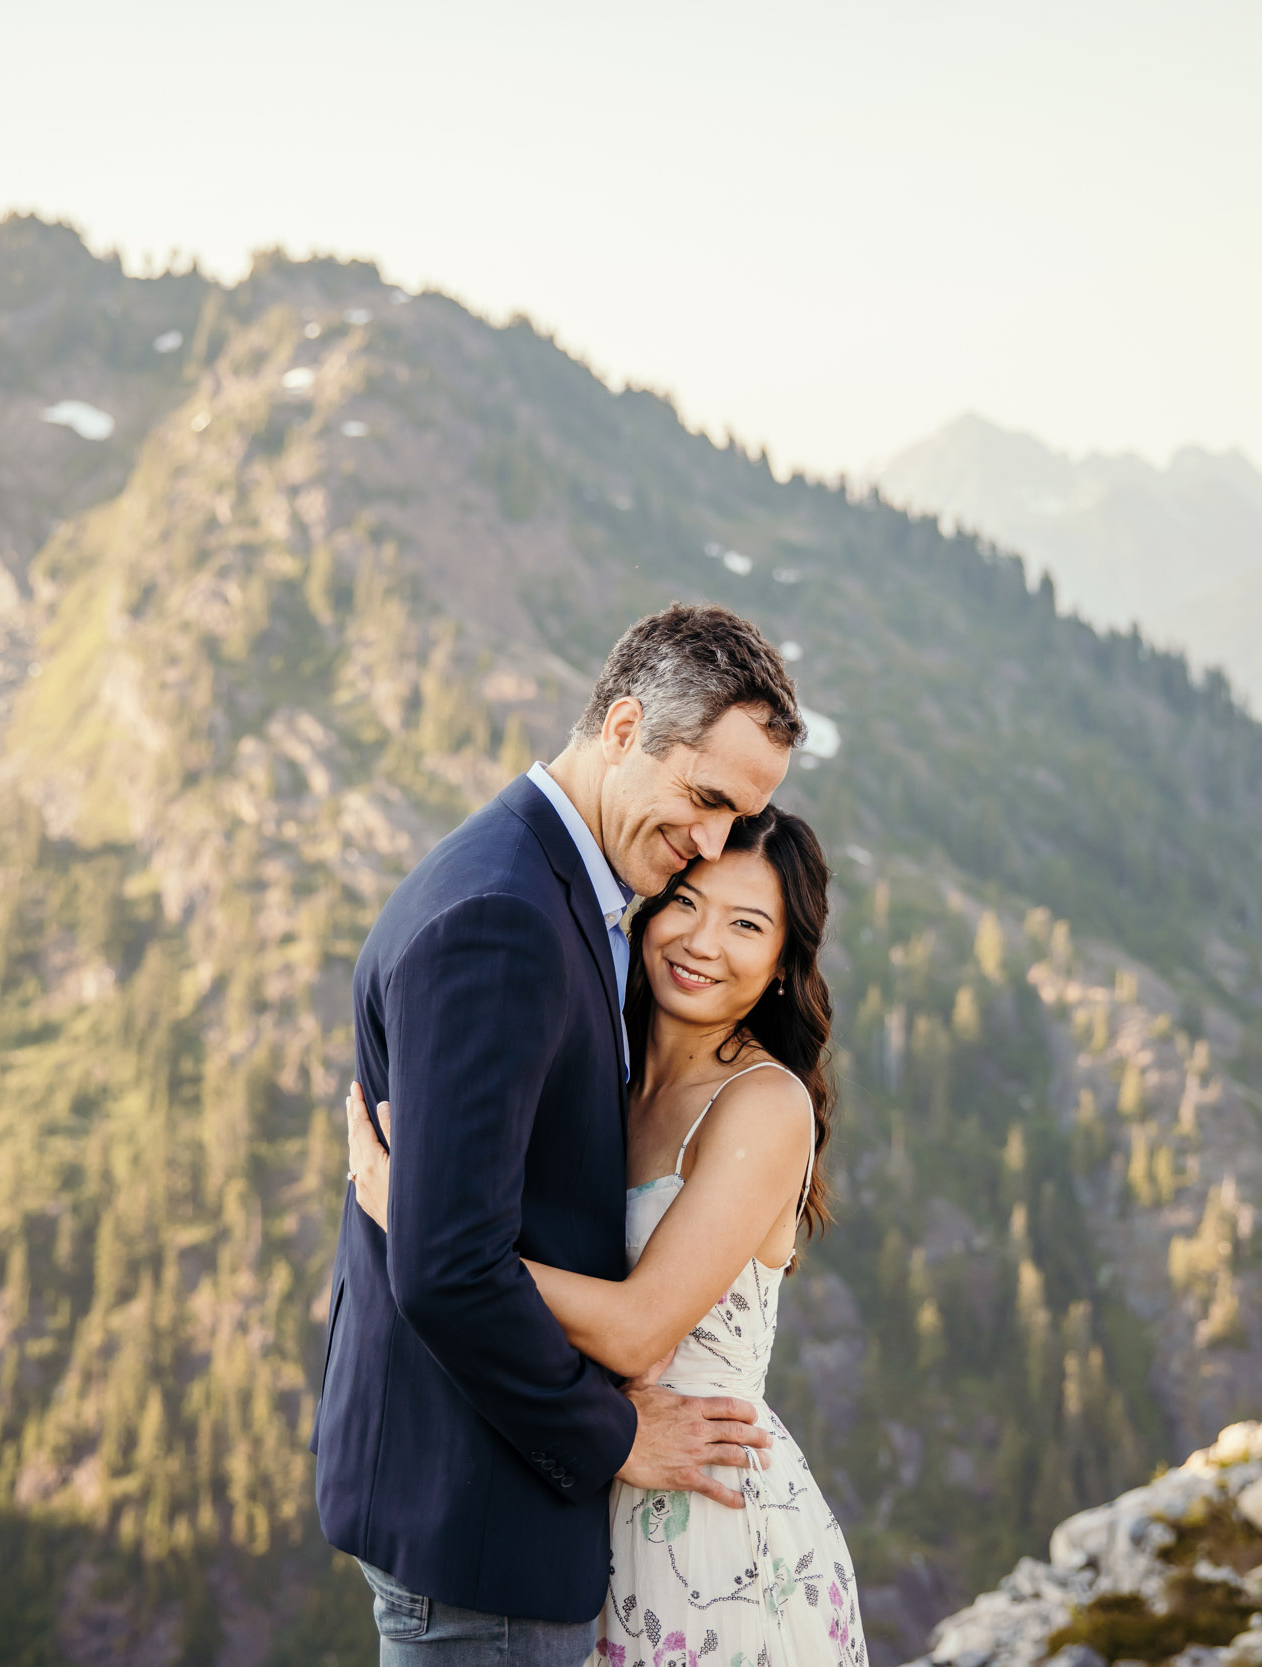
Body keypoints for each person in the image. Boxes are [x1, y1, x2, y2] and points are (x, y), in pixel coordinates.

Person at [312, 604, 804, 1667]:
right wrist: (620, 1435)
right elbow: (447, 1269)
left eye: (740, 816)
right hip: (485, 1513)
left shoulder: (553, 886)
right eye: (705, 797)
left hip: (504, 1504)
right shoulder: (506, 917)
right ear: (624, 727)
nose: (710, 843)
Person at [346, 802, 868, 1667]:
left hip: (705, 1519)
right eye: (687, 902)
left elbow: (637, 1327)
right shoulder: (606, 1070)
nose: (702, 941)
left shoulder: (763, 1104)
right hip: (584, 1485)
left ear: (783, 963)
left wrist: (424, 1225)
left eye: (746, 924)